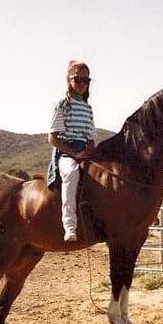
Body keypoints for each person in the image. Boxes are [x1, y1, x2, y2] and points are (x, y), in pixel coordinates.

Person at [47, 61, 96, 242]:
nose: (82, 83)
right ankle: (69, 226)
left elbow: (91, 138)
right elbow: (52, 138)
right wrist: (76, 155)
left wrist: (89, 151)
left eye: (86, 80)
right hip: (67, 152)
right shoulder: (62, 105)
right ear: (69, 80)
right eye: (78, 79)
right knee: (72, 174)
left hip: (86, 151)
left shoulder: (88, 108)